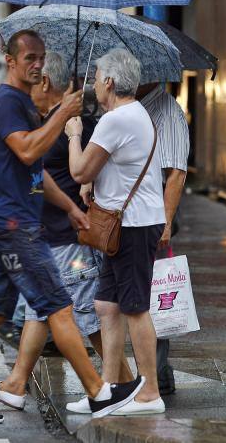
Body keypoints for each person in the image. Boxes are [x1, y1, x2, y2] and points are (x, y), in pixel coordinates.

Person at [0, 31, 144, 424]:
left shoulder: (24, 106)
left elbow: (36, 172)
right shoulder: (7, 103)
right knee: (59, 308)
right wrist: (63, 115)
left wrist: (69, 207)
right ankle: (98, 392)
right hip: (16, 227)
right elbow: (29, 149)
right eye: (29, 57)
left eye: (41, 58)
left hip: (12, 224)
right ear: (10, 60)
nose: (36, 64)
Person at [65, 48, 166, 416]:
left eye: (95, 77)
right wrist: (97, 182)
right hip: (129, 221)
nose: (92, 84)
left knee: (135, 307)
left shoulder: (116, 119)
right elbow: (118, 167)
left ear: (109, 81)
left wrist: (74, 134)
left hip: (134, 225)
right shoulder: (133, 113)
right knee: (107, 305)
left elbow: (79, 171)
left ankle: (150, 392)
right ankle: (107, 390)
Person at [135, 81, 190, 396]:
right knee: (147, 295)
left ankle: (154, 376)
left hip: (154, 219)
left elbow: (176, 173)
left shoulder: (166, 110)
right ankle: (161, 374)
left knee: (155, 298)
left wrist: (165, 224)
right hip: (136, 217)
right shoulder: (136, 106)